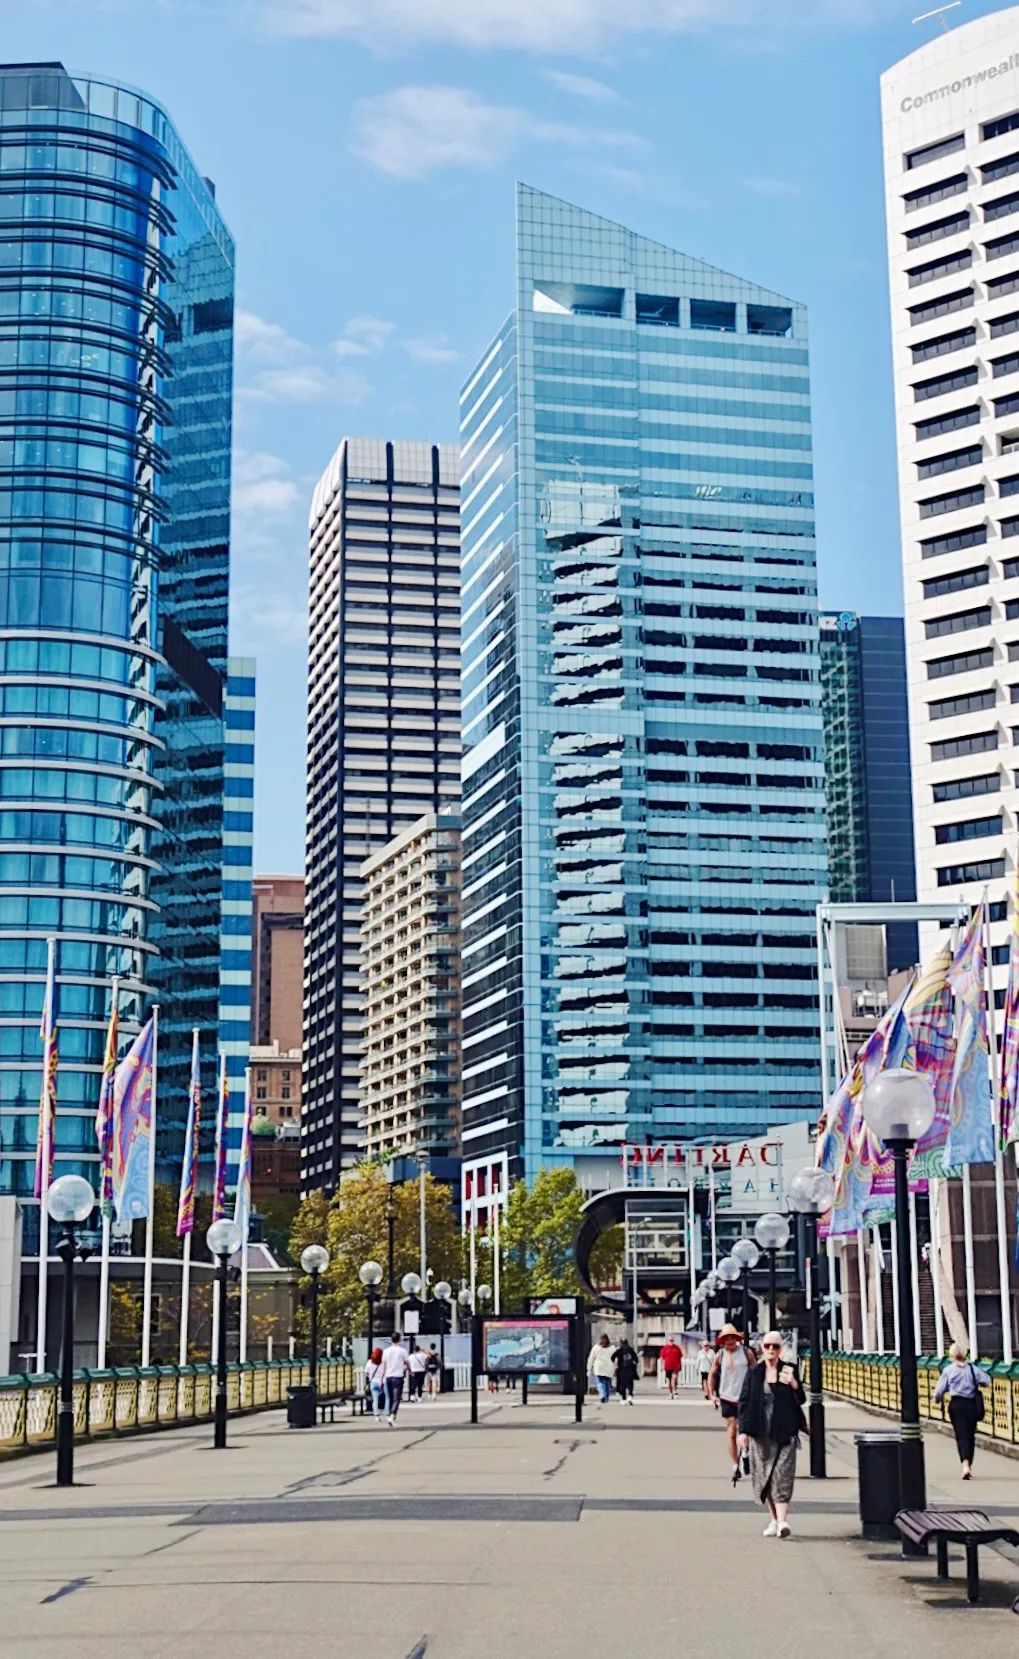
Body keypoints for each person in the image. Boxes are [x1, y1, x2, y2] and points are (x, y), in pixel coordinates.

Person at [737, 1331, 806, 1539]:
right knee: (765, 1476)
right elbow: (745, 1402)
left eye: (775, 1346)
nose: (771, 1350)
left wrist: (794, 1384)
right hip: (760, 1431)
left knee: (782, 1475)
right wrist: (743, 1432)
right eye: (767, 1346)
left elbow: (801, 1399)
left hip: (784, 1431)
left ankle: (783, 1521)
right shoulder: (754, 1372)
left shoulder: (789, 1370)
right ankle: (774, 1519)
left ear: (780, 1349)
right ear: (762, 1348)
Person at [933, 1341, 991, 1479]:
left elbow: (939, 1391)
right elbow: (987, 1380)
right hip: (971, 1405)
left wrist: (937, 1398)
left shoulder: (948, 1370)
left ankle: (964, 1464)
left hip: (956, 1405)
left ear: (952, 1354)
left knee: (961, 1434)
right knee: (970, 1435)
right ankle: (968, 1463)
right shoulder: (972, 1369)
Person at [708, 1324, 756, 1483]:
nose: (729, 1341)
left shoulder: (746, 1352)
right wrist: (712, 1395)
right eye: (726, 1338)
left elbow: (756, 1371)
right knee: (731, 1432)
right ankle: (736, 1465)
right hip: (727, 1396)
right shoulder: (719, 1355)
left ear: (736, 1339)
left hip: (745, 1397)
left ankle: (745, 1453)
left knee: (745, 1431)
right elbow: (712, 1375)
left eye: (732, 1337)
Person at [379, 1333, 411, 1426]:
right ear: (399, 1339)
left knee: (391, 1397)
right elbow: (407, 1362)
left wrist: (382, 1376)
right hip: (398, 1376)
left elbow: (384, 1365)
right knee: (396, 1398)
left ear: (391, 1339)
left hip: (388, 1376)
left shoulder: (386, 1351)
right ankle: (392, 1415)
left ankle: (390, 1414)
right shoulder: (402, 1351)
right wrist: (410, 1371)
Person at [587, 1333, 616, 1404]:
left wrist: (589, 1368)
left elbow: (591, 1358)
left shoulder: (596, 1347)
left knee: (600, 1382)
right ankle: (606, 1397)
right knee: (607, 1383)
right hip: (609, 1367)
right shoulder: (612, 1348)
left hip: (599, 1367)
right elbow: (615, 1358)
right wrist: (616, 1367)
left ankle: (602, 1395)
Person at [614, 1337, 640, 1405]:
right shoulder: (631, 1350)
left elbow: (612, 1357)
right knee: (630, 1384)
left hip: (622, 1370)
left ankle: (623, 1399)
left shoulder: (619, 1350)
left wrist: (616, 1363)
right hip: (630, 1370)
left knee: (622, 1385)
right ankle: (630, 1396)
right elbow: (636, 1359)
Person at [364, 1345, 386, 1423]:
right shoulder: (383, 1363)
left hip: (373, 1382)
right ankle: (385, 1412)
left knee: (375, 1399)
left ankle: (376, 1415)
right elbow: (385, 1372)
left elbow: (366, 1373)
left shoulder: (369, 1362)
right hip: (381, 1382)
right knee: (384, 1397)